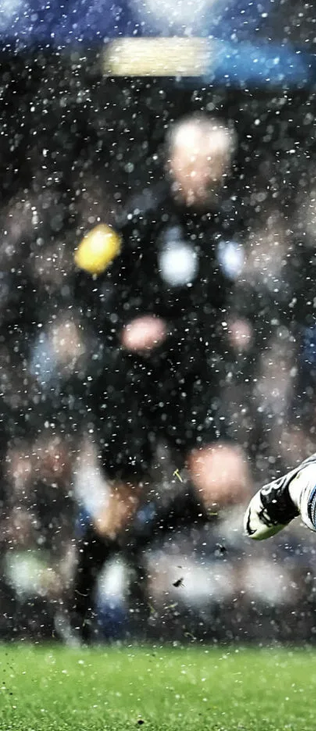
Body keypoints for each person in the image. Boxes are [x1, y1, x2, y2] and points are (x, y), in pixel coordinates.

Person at [64, 114, 253, 642]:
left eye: (213, 162)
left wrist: (235, 323)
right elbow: (82, 274)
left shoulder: (226, 223)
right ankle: (78, 608)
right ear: (174, 163)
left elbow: (221, 293)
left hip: (191, 377)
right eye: (194, 161)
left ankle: (141, 544)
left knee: (225, 486)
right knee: (124, 498)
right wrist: (120, 326)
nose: (203, 171)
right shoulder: (139, 220)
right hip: (130, 379)